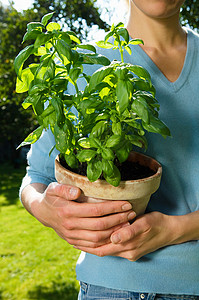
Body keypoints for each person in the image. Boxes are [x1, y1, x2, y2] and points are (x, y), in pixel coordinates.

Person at [20, 0, 199, 299]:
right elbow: (35, 176)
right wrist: (46, 209)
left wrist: (175, 230)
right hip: (109, 287)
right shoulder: (82, 63)